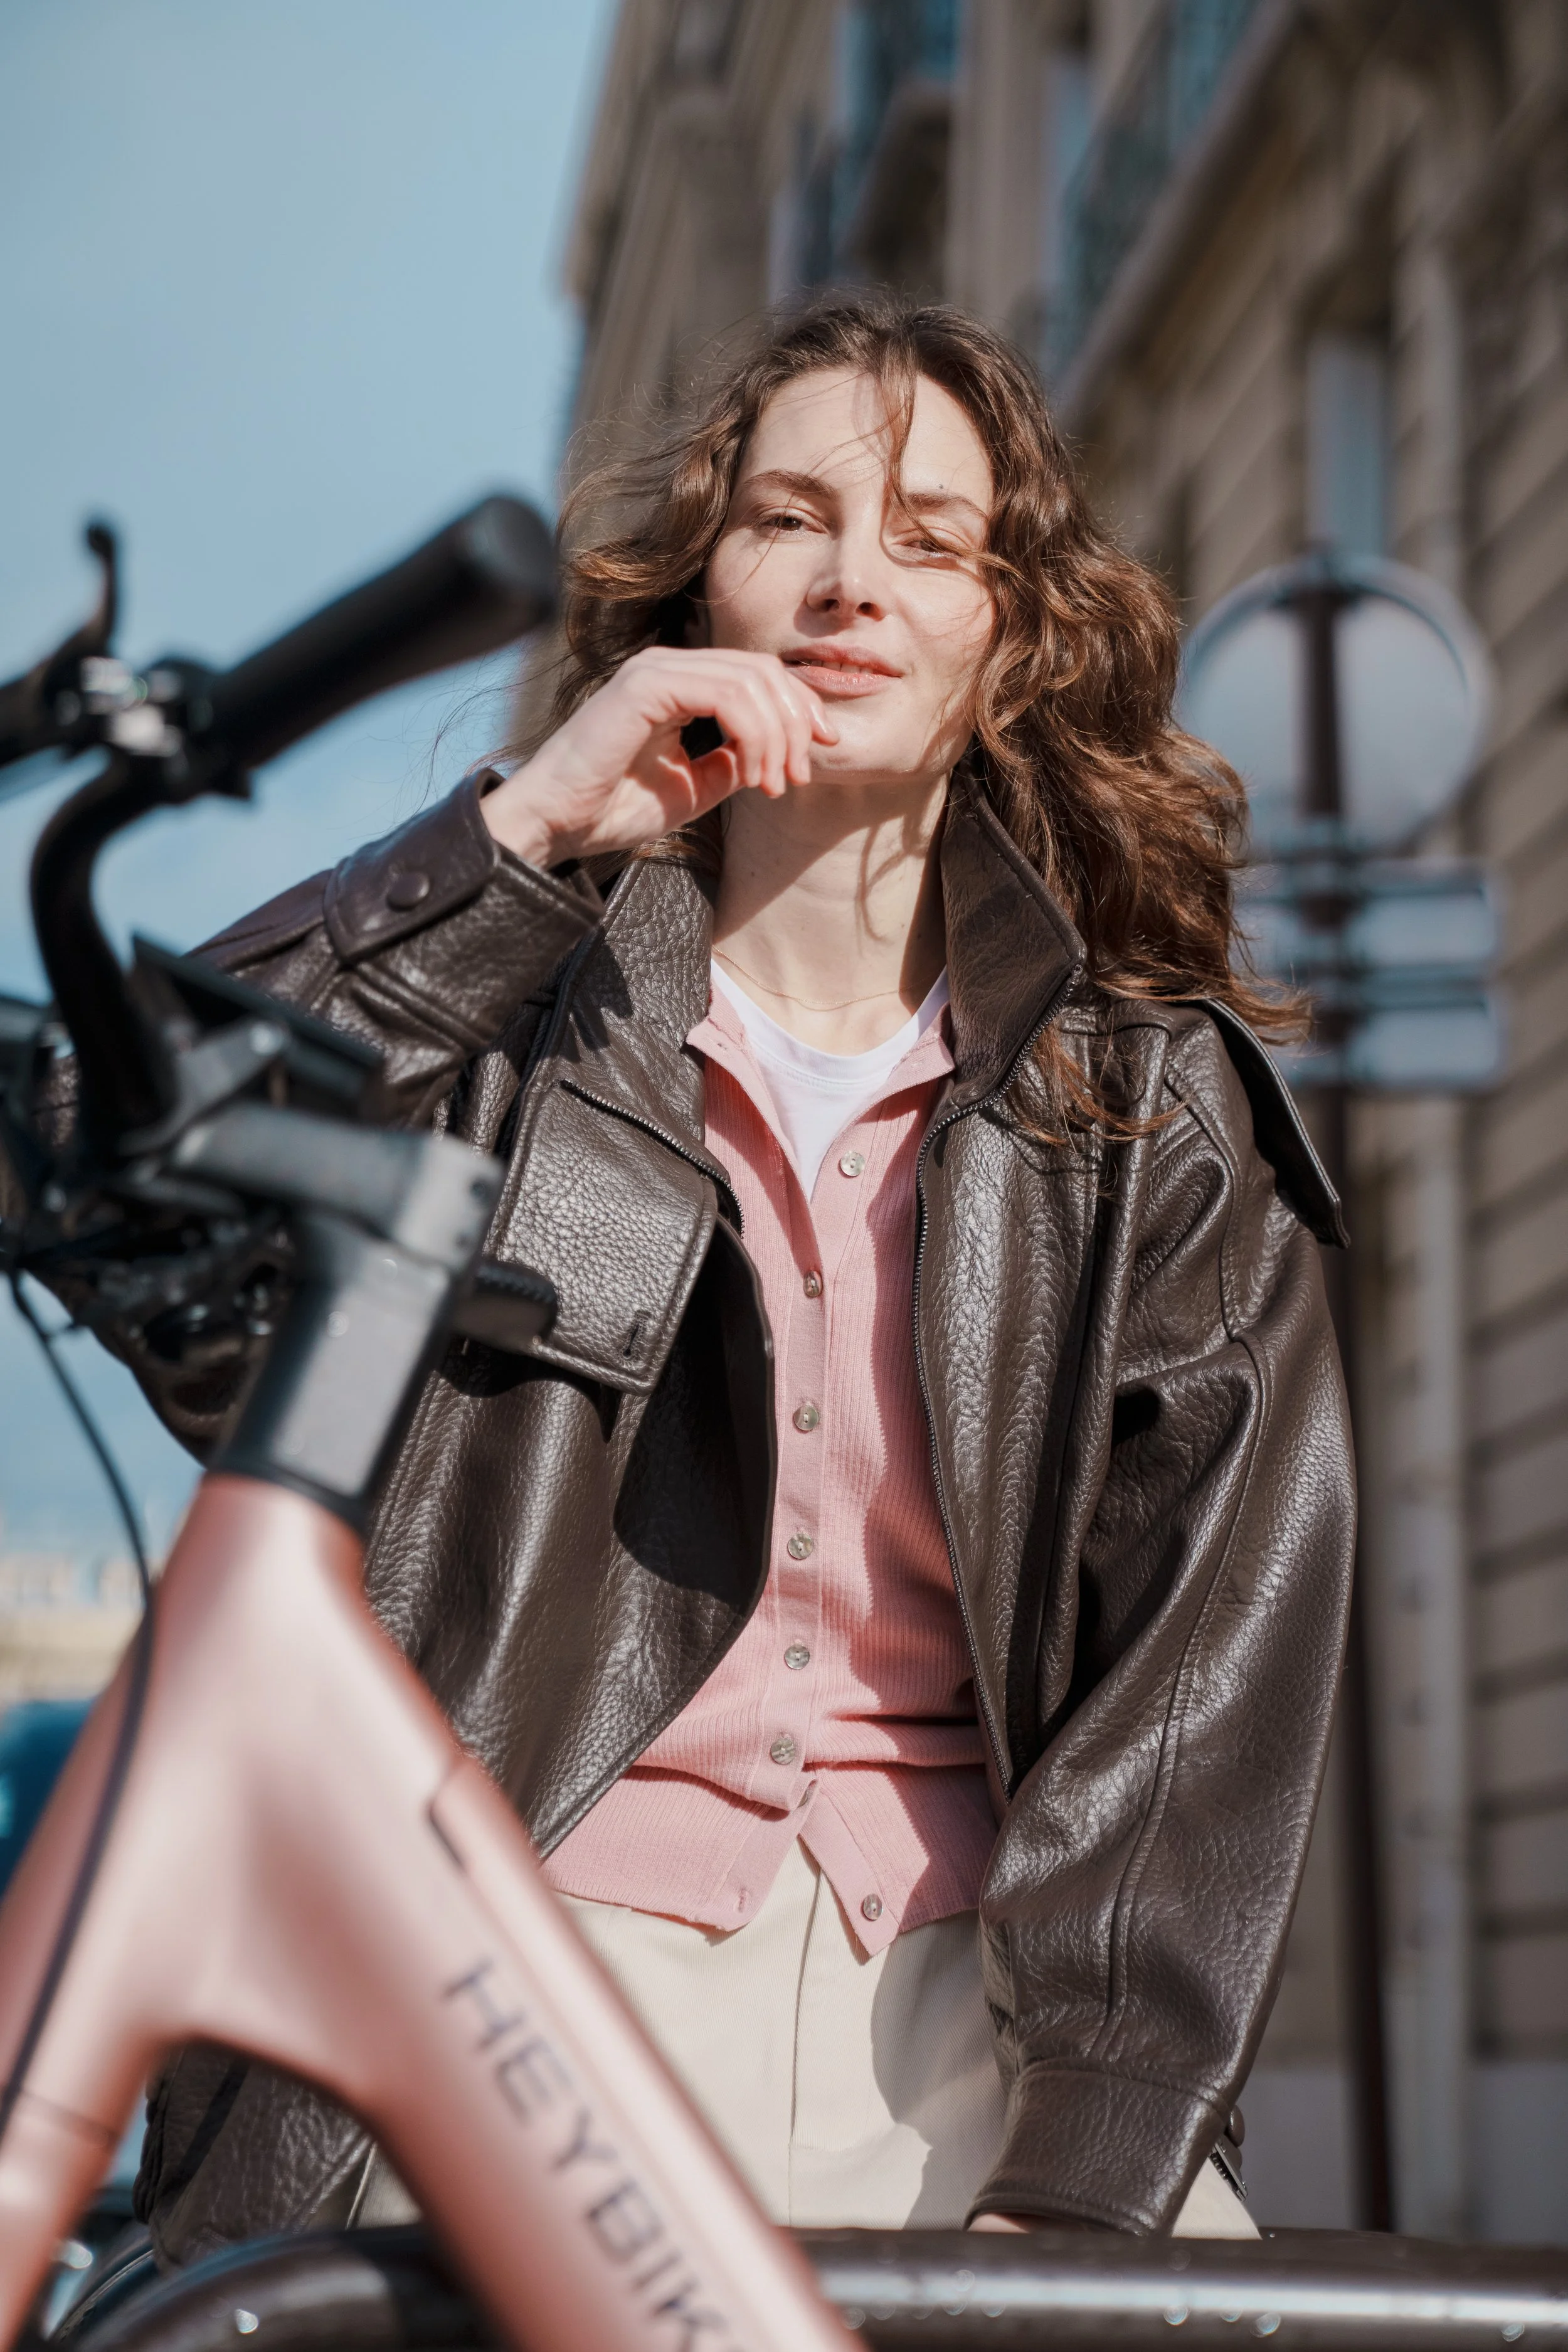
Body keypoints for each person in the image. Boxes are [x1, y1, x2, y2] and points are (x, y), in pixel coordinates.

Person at [128, 292, 1353, 2262]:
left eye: (929, 539)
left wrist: (1088, 2158)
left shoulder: (1148, 1105)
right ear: (707, 578)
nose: (851, 578)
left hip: (978, 2018)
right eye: (788, 517)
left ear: (1010, 634)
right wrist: (522, 836)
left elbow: (1211, 1667)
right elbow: (154, 1193)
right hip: (510, 1973)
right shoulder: (511, 1014)